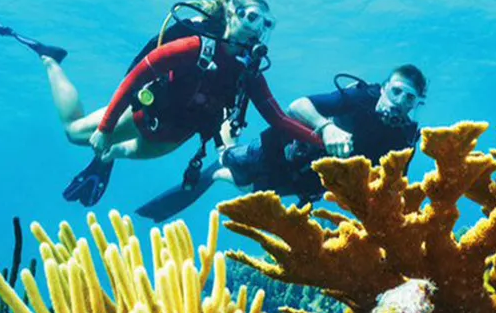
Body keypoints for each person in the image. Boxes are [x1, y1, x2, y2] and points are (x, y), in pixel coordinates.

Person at [0, 0, 323, 206]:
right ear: (232, 14)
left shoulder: (247, 72)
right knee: (74, 132)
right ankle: (50, 60)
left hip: (173, 137)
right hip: (143, 115)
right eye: (251, 17)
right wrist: (105, 128)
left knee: (117, 153)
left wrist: (325, 140)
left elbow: (277, 119)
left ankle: (106, 157)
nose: (257, 29)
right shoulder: (194, 46)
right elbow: (136, 77)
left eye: (266, 23)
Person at [136, 64, 427, 222]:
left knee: (249, 189)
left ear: (417, 104)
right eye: (397, 92)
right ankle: (225, 139)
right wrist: (326, 128)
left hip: (310, 182)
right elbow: (296, 106)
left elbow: (395, 185)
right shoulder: (360, 98)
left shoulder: (406, 137)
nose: (399, 103)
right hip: (280, 152)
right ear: (384, 88)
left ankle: (225, 156)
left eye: (410, 98)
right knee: (234, 168)